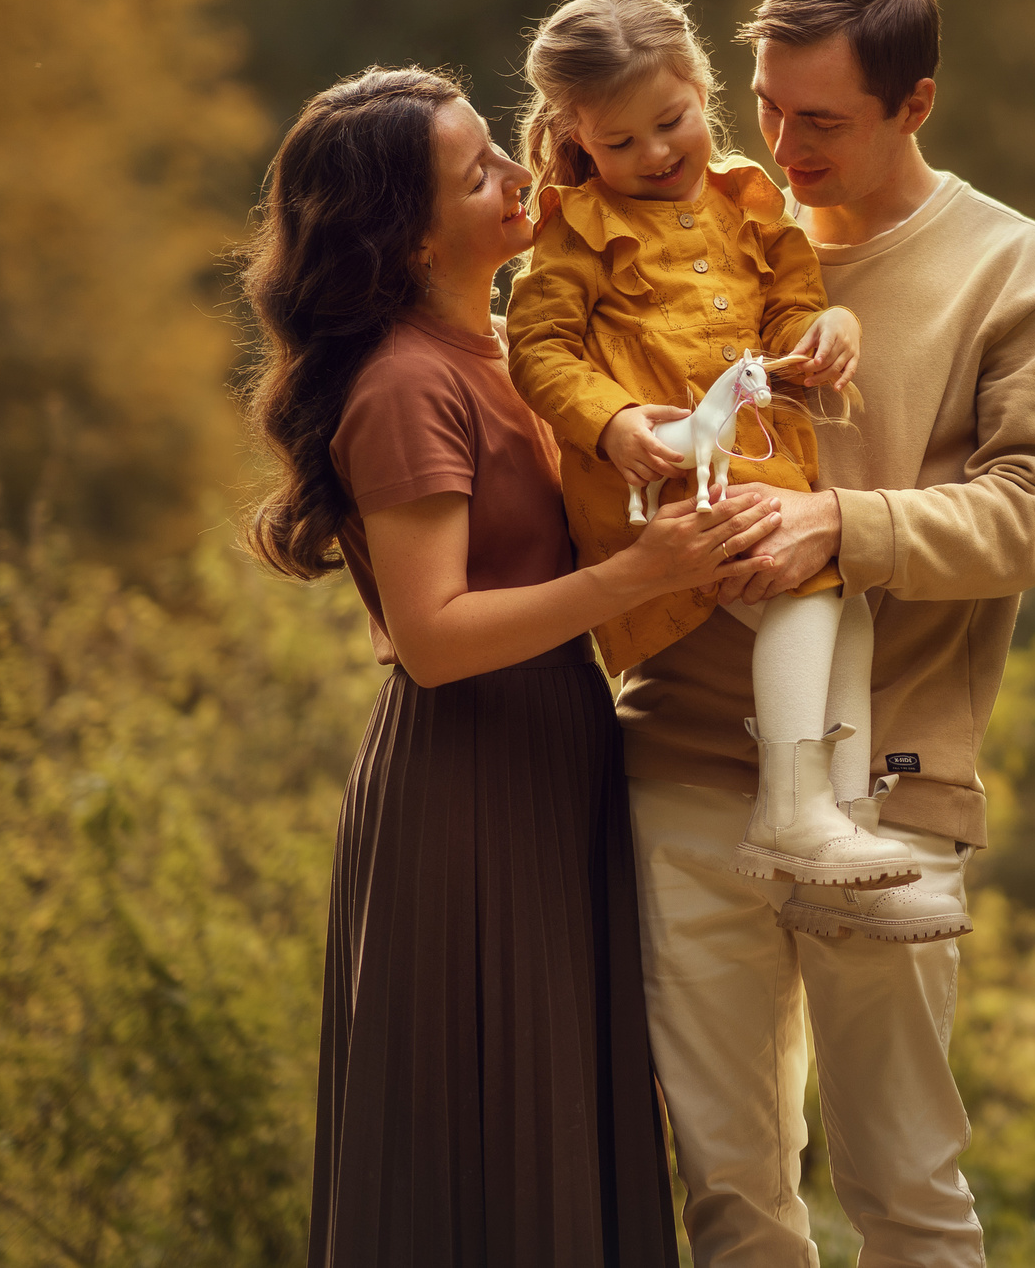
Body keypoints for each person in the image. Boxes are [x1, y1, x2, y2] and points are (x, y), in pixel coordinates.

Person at [237, 65, 782, 1268]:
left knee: (558, 1111)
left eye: (499, 148)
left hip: (549, 752)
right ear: (409, 237)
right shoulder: (405, 386)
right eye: (476, 170)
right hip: (469, 786)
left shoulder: (498, 350)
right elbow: (433, 639)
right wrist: (639, 576)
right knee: (495, 1128)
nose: (514, 173)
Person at [616, 0, 1035, 1267]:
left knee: (904, 1191)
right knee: (731, 1197)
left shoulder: (1014, 272)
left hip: (887, 789)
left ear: (916, 103)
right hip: (681, 771)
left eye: (820, 120)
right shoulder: (710, 231)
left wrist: (840, 524)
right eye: (766, 109)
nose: (783, 147)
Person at [506, 0, 918, 894]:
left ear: (701, 88)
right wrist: (612, 420)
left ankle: (844, 818)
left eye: (672, 122)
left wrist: (831, 327)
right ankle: (795, 811)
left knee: (839, 596)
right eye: (620, 143)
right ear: (577, 136)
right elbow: (537, 349)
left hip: (760, 463)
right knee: (808, 584)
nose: (655, 154)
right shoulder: (577, 230)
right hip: (666, 489)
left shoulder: (749, 203)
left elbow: (791, 306)